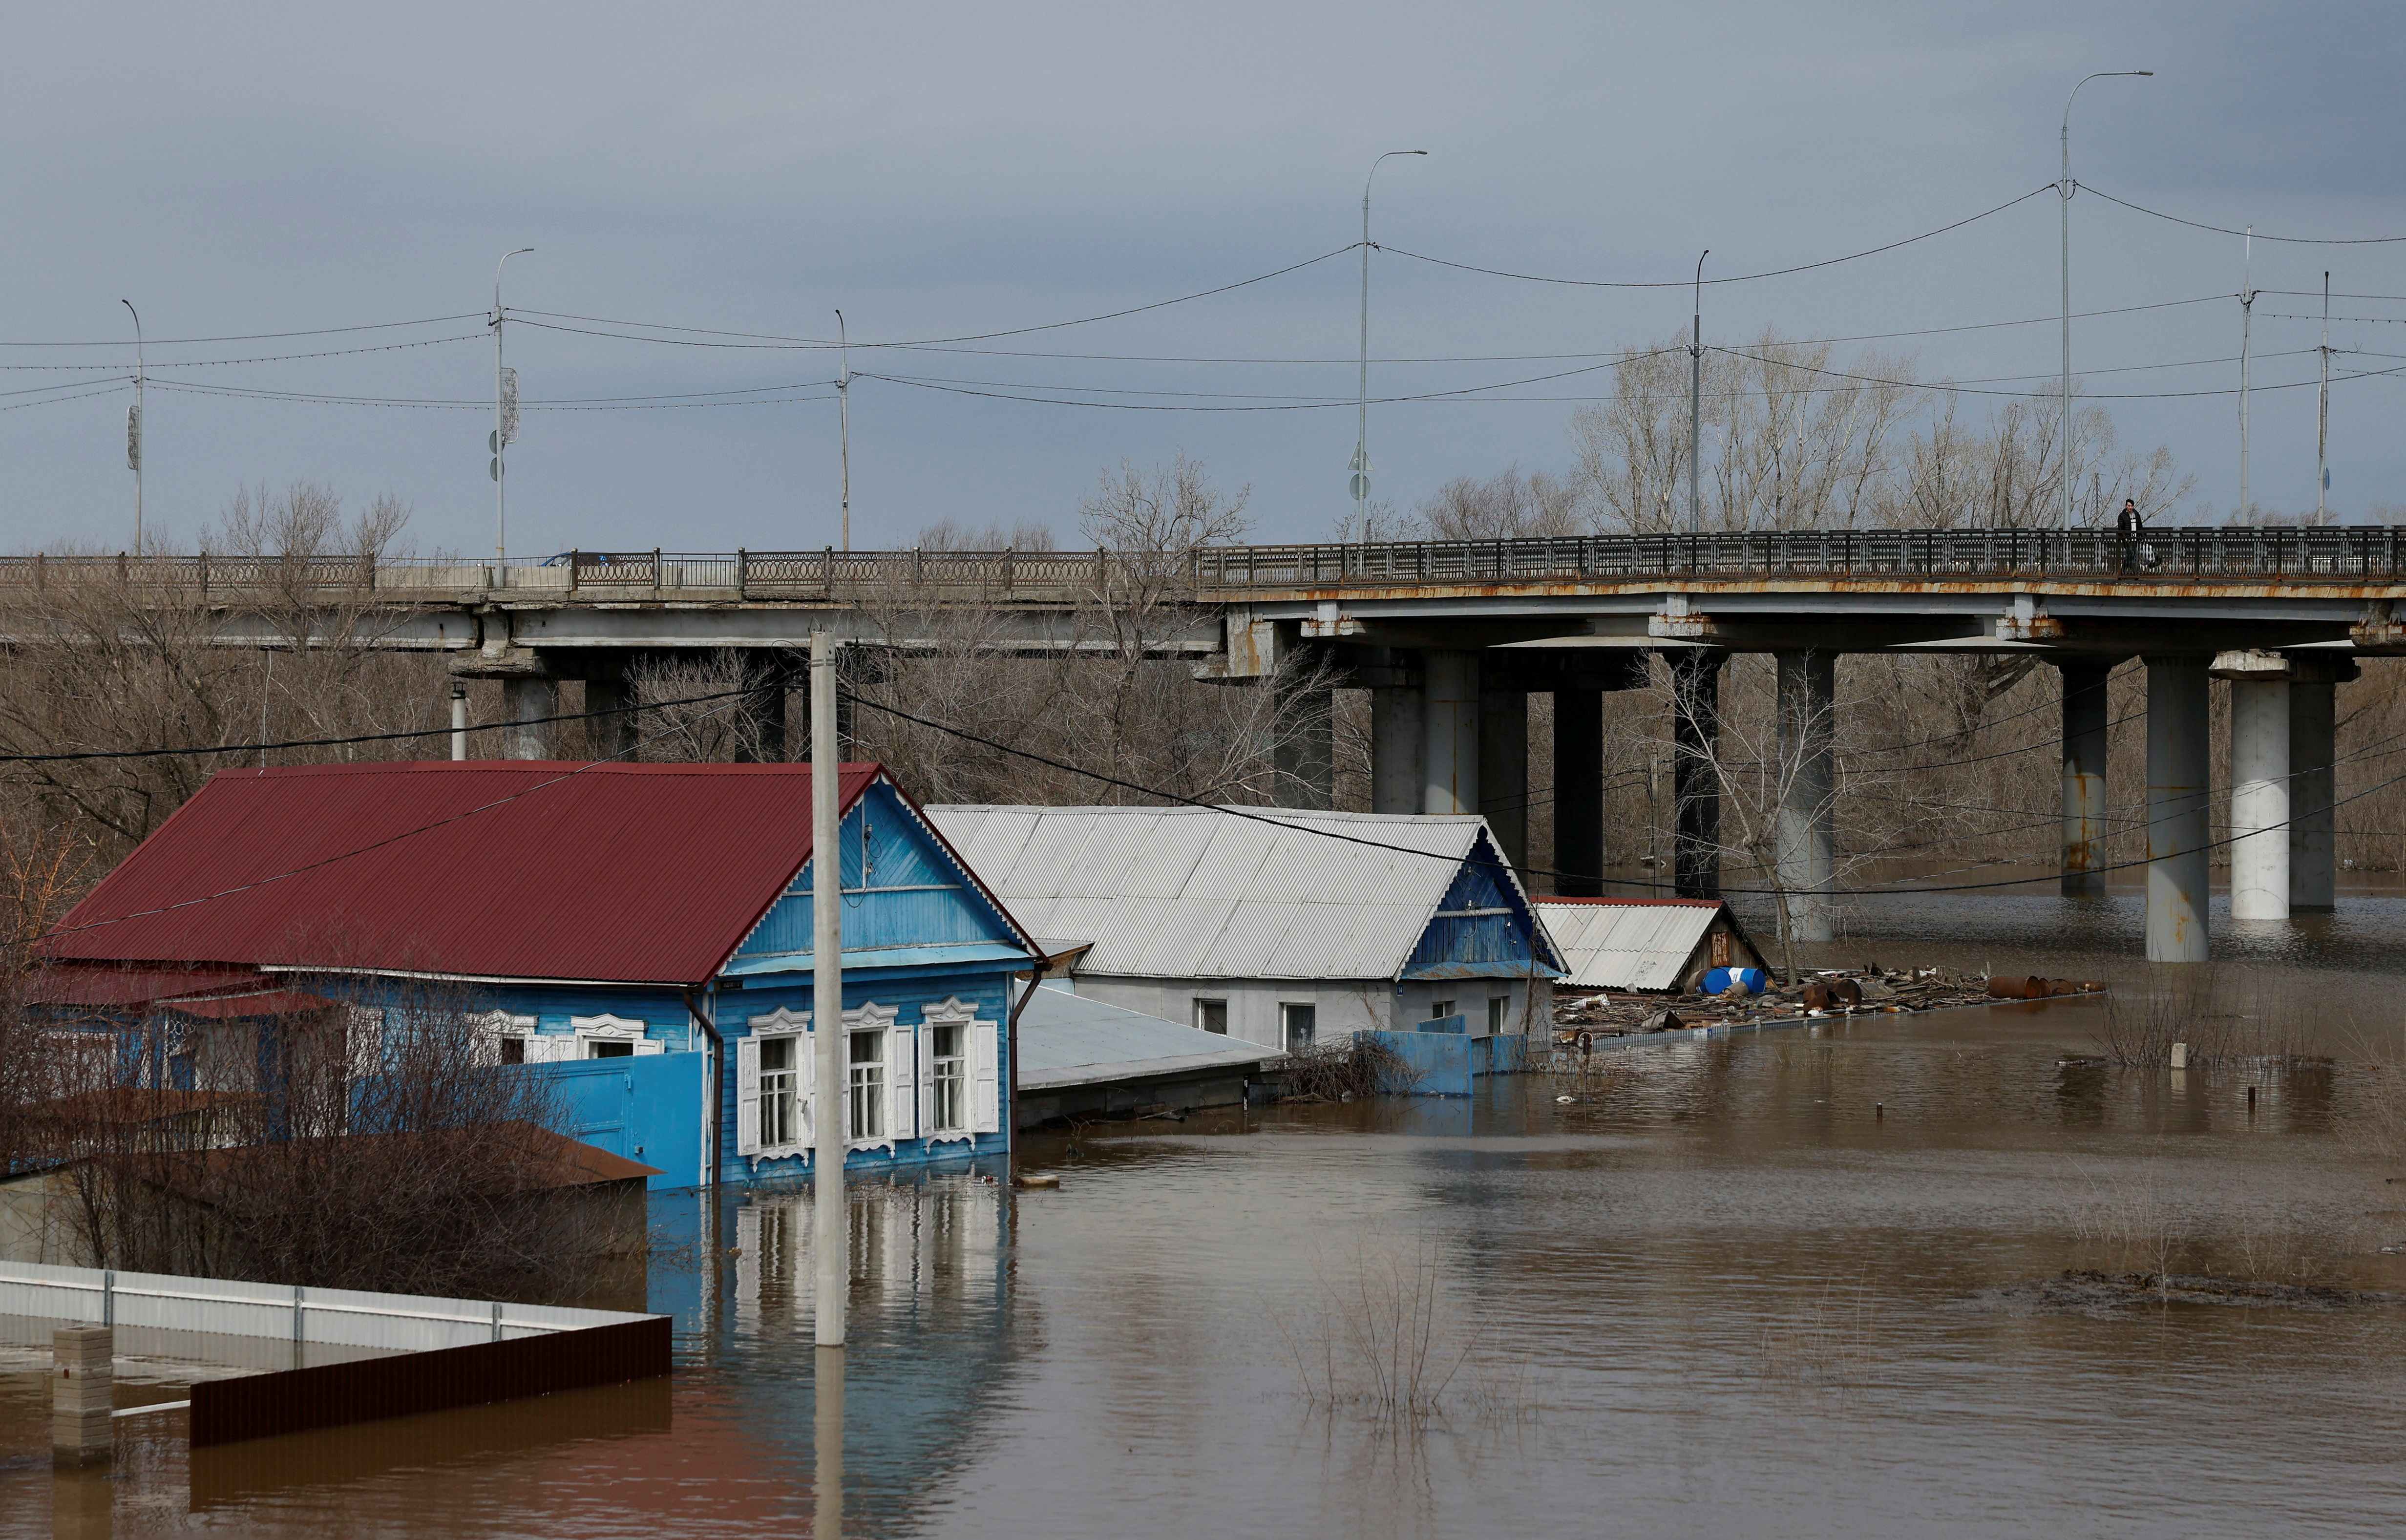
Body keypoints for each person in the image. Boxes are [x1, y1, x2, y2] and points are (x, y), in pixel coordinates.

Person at [2115, 498, 2143, 572]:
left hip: (2135, 538)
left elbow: (2140, 526)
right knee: (2131, 554)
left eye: (2132, 506)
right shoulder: (2122, 516)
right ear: (2126, 506)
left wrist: (2142, 536)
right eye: (2129, 506)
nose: (2130, 508)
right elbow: (2121, 528)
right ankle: (2136, 571)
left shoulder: (2136, 515)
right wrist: (2125, 537)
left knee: (2132, 555)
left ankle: (2123, 571)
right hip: (2127, 539)